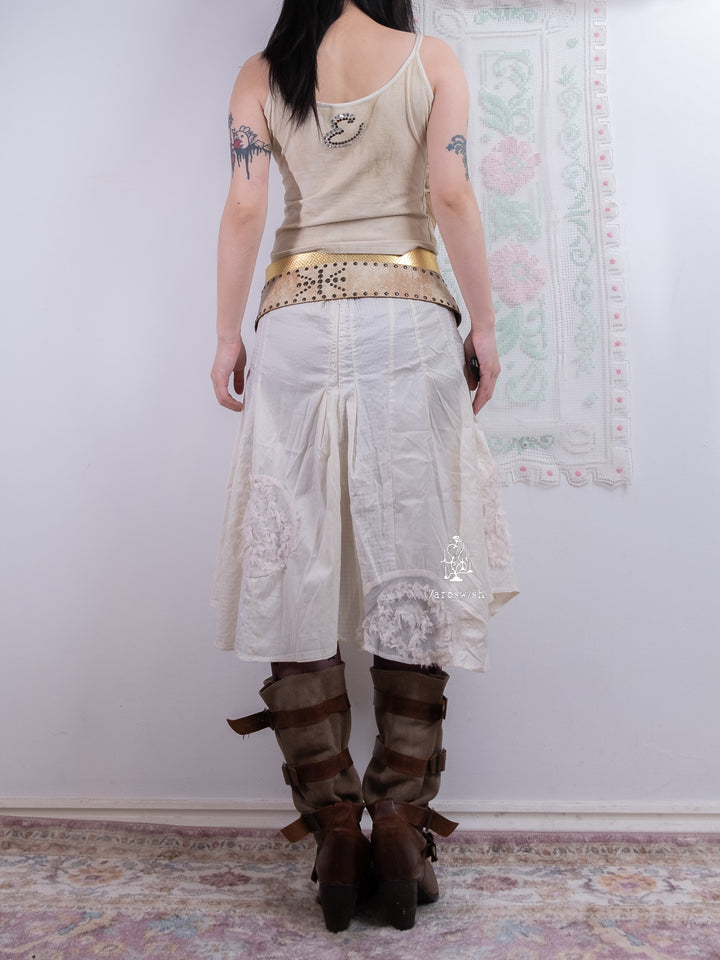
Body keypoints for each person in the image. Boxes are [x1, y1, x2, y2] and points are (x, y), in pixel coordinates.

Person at [210, 0, 519, 933]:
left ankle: (335, 827)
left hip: (295, 322)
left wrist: (225, 334)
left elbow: (246, 205)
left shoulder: (264, 73)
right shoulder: (430, 58)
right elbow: (452, 196)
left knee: (295, 562)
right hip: (407, 318)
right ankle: (398, 824)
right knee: (414, 557)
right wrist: (486, 325)